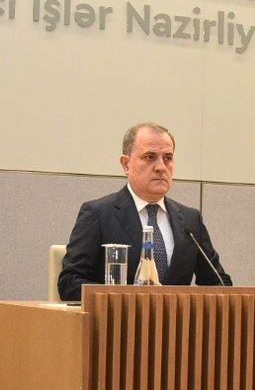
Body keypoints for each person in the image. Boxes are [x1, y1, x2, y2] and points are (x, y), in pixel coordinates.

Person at [56, 123, 233, 302]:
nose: (161, 167)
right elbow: (70, 283)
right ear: (126, 164)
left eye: (168, 158)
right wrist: (124, 300)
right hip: (117, 318)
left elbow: (219, 283)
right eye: (150, 157)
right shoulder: (98, 214)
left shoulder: (190, 220)